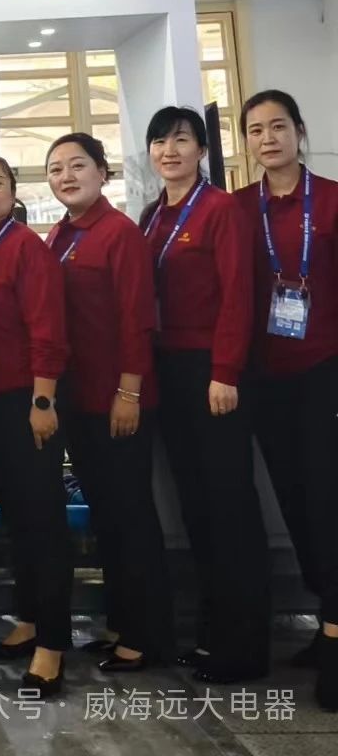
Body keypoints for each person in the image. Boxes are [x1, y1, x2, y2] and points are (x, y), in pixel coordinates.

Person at [142, 105, 268, 684]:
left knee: (229, 505)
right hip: (168, 371)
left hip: (213, 372)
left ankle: (246, 646)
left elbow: (238, 295)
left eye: (181, 140)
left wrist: (226, 371)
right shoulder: (153, 216)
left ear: (201, 150)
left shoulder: (219, 209)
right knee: (195, 505)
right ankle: (215, 634)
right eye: (160, 142)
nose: (170, 151)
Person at [45, 134, 173, 672]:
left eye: (78, 165)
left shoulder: (119, 234)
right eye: (56, 169)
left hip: (118, 400)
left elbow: (137, 320)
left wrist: (129, 392)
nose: (67, 176)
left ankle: (148, 635)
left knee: (131, 514)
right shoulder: (59, 234)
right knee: (108, 515)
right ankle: (122, 622)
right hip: (79, 400)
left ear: (103, 172)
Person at [235, 91, 338, 709]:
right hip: (264, 376)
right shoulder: (238, 209)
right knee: (294, 501)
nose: (268, 138)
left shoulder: (331, 201)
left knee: (328, 501)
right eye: (255, 130)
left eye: (278, 126)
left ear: (299, 131)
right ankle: (327, 620)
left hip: (324, 370)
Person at [0, 151, 71, 697]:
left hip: (26, 403)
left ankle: (53, 644)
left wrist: (43, 400)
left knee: (42, 520)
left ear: (12, 191)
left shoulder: (27, 248)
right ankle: (27, 621)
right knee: (17, 521)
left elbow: (48, 329)